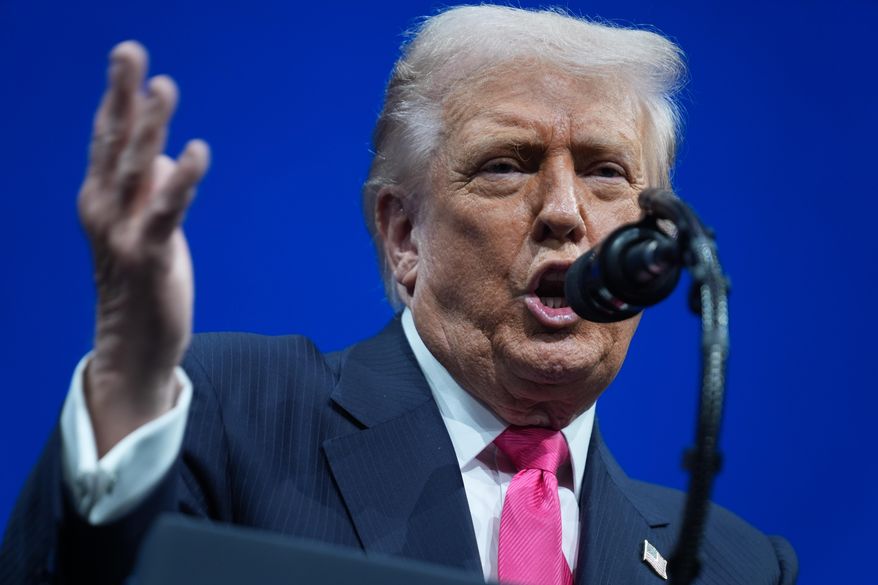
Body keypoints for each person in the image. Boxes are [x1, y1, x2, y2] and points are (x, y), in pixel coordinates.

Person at [0, 5, 797, 585]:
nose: (564, 210)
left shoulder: (736, 563)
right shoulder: (230, 418)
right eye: (506, 165)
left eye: (605, 171)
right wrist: (128, 384)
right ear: (403, 235)